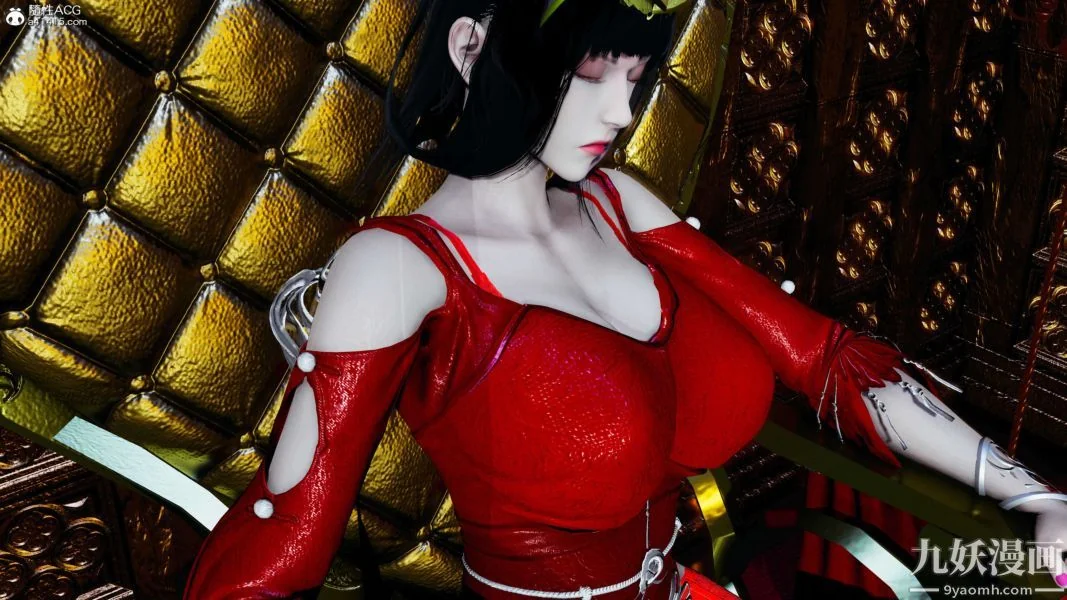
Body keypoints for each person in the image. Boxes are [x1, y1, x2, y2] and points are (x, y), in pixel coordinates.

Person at [182, 0, 1067, 598]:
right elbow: (285, 530)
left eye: (635, 82)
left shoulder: (618, 201)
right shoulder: (396, 266)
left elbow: (825, 358)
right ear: (470, 48)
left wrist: (1030, 496)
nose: (620, 113)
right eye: (592, 77)